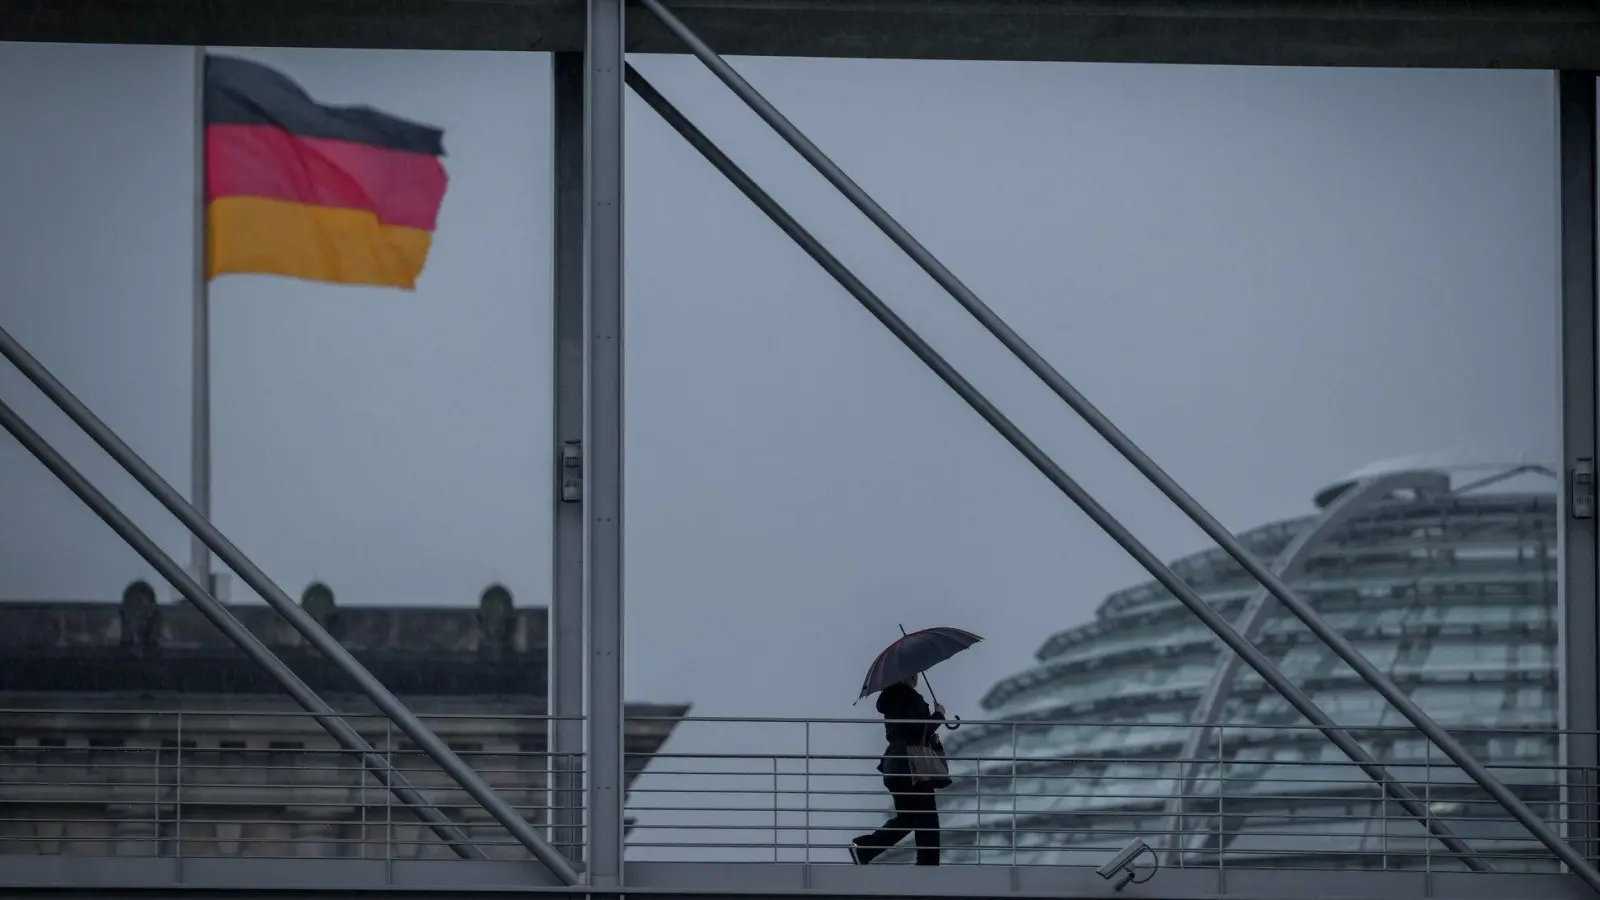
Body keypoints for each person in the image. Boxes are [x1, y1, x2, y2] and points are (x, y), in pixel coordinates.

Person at [850, 675, 945, 866]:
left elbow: (908, 729)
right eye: (915, 673)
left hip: (894, 764)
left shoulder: (892, 697)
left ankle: (866, 850)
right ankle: (929, 866)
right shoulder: (908, 695)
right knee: (927, 818)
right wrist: (939, 715)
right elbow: (916, 728)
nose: (917, 676)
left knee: (909, 817)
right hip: (911, 764)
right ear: (908, 675)